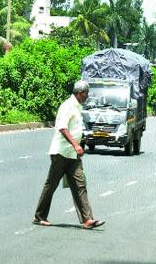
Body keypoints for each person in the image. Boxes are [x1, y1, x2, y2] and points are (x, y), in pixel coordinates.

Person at [33, 80, 105, 229]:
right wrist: (75, 144)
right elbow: (62, 127)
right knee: (51, 185)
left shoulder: (77, 107)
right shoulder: (68, 106)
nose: (87, 96)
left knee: (80, 184)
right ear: (79, 93)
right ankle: (39, 216)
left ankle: (87, 219)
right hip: (61, 152)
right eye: (86, 93)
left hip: (73, 156)